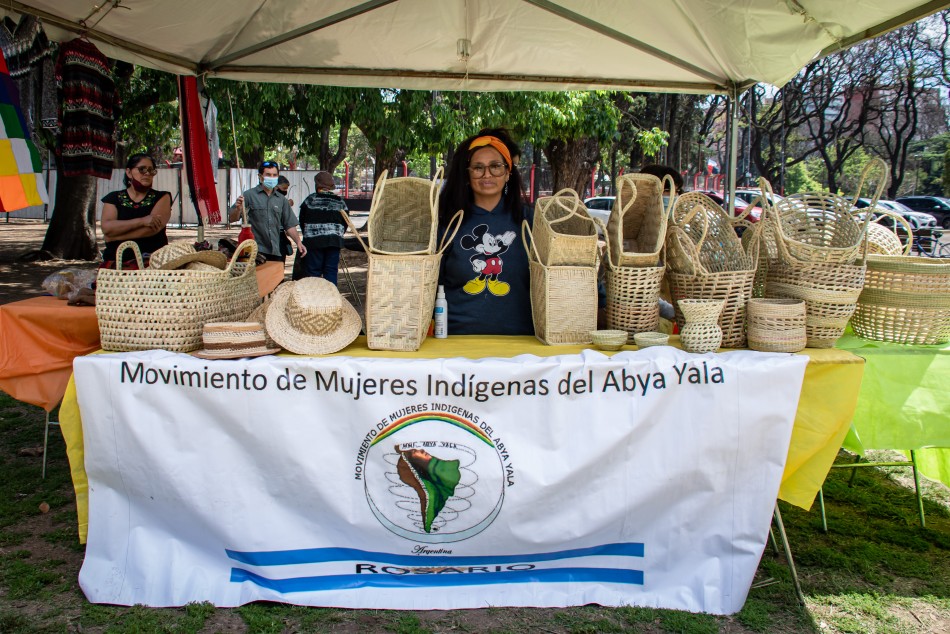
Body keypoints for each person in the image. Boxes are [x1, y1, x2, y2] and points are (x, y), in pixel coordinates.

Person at [437, 129, 533, 335]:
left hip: (522, 343)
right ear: (466, 174)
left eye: (496, 167)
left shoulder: (530, 221)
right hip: (455, 341)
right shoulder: (448, 221)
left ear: (508, 173)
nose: (487, 174)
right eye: (478, 168)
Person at [100, 153, 171, 266]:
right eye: (142, 169)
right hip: (116, 263)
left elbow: (152, 230)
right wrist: (142, 221)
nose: (147, 173)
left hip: (152, 263)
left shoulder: (162, 197)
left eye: (151, 170)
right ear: (129, 172)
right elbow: (107, 227)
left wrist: (113, 237)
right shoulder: (113, 198)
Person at [228, 160, 306, 262]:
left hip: (276, 251)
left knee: (276, 277)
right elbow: (232, 218)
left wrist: (299, 242)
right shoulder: (248, 195)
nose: (271, 178)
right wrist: (238, 209)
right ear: (260, 176)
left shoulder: (281, 199)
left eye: (274, 175)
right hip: (255, 251)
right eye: (268, 175)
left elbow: (289, 225)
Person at [297, 171, 348, 284]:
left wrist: (309, 234)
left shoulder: (310, 200)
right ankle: (331, 299)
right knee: (330, 271)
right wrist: (337, 234)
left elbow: (302, 221)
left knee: (314, 272)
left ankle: (315, 299)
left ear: (317, 185)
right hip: (334, 241)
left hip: (314, 242)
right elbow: (345, 222)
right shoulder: (340, 202)